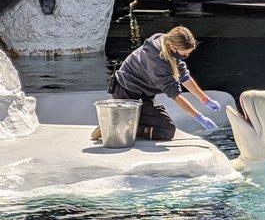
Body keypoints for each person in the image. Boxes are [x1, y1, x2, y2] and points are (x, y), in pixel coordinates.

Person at [91, 26, 220, 141]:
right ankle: (116, 127)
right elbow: (175, 94)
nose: (187, 55)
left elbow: (184, 77)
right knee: (166, 131)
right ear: (173, 47)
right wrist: (199, 116)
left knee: (165, 128)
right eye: (185, 53)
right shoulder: (157, 60)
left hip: (144, 95)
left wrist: (205, 99)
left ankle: (122, 122)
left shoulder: (167, 44)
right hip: (127, 94)